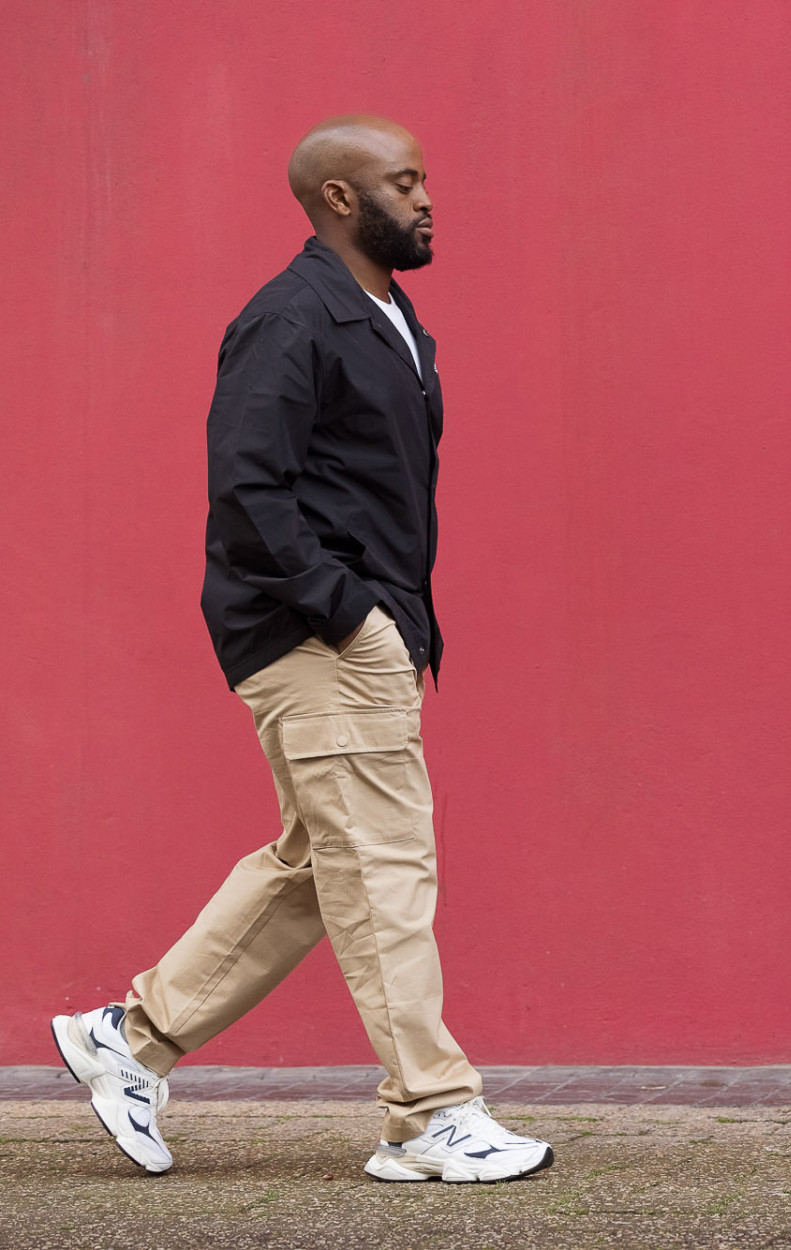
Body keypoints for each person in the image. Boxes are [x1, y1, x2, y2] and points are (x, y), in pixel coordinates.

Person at [49, 114, 552, 1185]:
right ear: (338, 197)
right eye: (402, 182)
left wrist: (393, 622)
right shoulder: (292, 317)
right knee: (385, 865)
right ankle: (431, 1112)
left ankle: (125, 1038)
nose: (424, 199)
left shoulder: (383, 312)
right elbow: (248, 492)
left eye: (424, 179)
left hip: (358, 628)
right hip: (315, 630)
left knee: (322, 862)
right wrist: (352, 613)